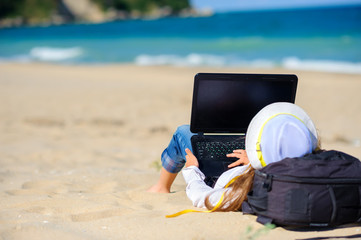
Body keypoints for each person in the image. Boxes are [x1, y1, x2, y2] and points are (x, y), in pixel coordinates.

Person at [148, 102, 320, 212]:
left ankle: (161, 187)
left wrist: (192, 169)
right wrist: (253, 158)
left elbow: (205, 198)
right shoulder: (312, 170)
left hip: (215, 179)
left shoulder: (252, 187)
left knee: (183, 133)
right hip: (249, 165)